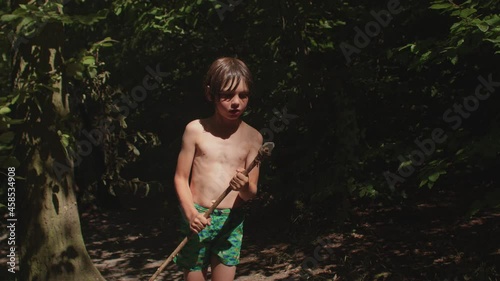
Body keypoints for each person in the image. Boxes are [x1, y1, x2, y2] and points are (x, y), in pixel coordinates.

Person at [173, 57, 263, 281]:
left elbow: (250, 193)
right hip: (197, 218)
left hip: (231, 222)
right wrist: (191, 214)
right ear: (210, 94)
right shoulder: (195, 130)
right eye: (227, 95)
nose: (236, 102)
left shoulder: (253, 138)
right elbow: (180, 178)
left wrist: (243, 187)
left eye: (243, 95)